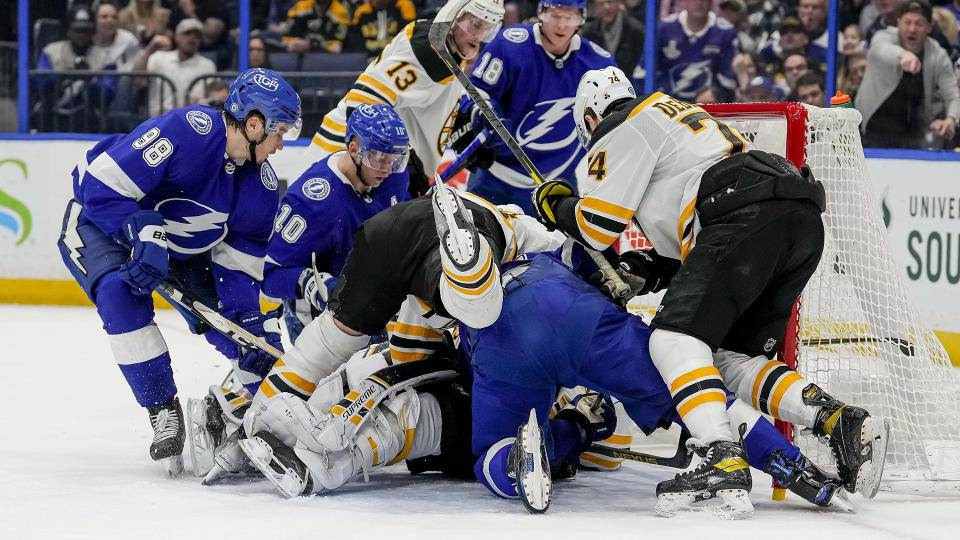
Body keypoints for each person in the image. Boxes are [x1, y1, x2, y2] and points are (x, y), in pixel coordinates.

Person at [236, 247, 858, 517]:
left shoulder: (420, 289)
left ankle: (518, 462)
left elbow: (408, 354)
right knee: (694, 398)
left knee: (482, 449)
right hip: (573, 313)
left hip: (500, 354)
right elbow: (582, 258)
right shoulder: (522, 240)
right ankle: (800, 474)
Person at [531, 66, 888, 513]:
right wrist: (639, 269)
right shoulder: (674, 116)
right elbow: (687, 245)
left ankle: (720, 454)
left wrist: (557, 204)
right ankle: (837, 420)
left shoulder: (620, 124)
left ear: (589, 118)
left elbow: (596, 226)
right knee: (729, 359)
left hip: (739, 213)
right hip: (794, 217)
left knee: (673, 339)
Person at [56, 68, 302, 476]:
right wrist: (144, 233)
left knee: (254, 348)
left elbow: (237, 267)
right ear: (255, 124)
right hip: (100, 226)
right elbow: (102, 185)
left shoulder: (260, 184)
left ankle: (232, 413)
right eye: (280, 132)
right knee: (121, 294)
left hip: (179, 252)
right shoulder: (192, 130)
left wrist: (249, 320)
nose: (280, 145)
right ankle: (162, 408)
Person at [306, 0, 506, 197]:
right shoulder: (428, 49)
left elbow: (430, 106)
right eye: (476, 24)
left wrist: (465, 130)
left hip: (375, 166)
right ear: (454, 15)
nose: (479, 36)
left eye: (487, 29)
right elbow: (363, 102)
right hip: (342, 157)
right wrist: (403, 160)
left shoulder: (449, 52)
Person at [263, 103, 412, 342]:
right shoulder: (311, 202)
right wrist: (316, 284)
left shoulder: (395, 176)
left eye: (396, 159)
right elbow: (269, 274)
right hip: (321, 319)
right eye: (380, 158)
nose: (387, 169)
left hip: (375, 303)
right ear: (354, 150)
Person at [460, 0, 617, 214]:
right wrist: (480, 114)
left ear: (581, 18)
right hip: (495, 174)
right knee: (479, 244)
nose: (561, 25)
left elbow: (614, 120)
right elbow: (477, 93)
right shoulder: (509, 45)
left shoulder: (598, 64)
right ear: (541, 13)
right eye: (555, 15)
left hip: (556, 182)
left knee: (558, 248)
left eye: (569, 17)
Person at [857, 0, 960, 149]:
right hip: (873, 126)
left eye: (919, 24)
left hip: (912, 131)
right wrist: (903, 55)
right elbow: (881, 49)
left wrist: (951, 119)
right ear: (898, 23)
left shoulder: (938, 54)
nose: (912, 29)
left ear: (929, 28)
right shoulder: (882, 36)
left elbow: (952, 94)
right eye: (907, 23)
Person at [648, 0, 738, 102]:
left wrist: (720, 102)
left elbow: (727, 79)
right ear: (683, 2)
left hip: (708, 106)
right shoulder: (664, 28)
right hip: (668, 105)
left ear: (711, 2)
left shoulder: (725, 31)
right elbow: (644, 72)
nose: (699, 2)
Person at [142, 18, 217, 115]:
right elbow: (137, 80)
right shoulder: (158, 57)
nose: (192, 38)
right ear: (176, 36)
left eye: (197, 36)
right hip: (157, 118)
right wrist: (149, 49)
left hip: (189, 121)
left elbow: (205, 99)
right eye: (187, 33)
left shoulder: (208, 65)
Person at [580, 0, 645, 74]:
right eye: (601, 4)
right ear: (595, 7)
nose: (606, 7)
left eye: (610, 2)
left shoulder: (636, 30)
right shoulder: (588, 33)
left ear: (618, 3)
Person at [347, 0, 417, 58]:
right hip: (368, 56)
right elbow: (354, 36)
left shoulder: (401, 7)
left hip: (396, 55)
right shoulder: (362, 12)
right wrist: (364, 54)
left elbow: (410, 32)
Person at [90, 0, 144, 72]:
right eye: (104, 17)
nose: (109, 20)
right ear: (95, 20)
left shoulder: (128, 40)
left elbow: (137, 70)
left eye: (114, 17)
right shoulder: (88, 40)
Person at [282, 0, 351, 53]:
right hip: (297, 56)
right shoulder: (300, 8)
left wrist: (311, 47)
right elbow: (286, 40)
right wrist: (292, 43)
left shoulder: (341, 13)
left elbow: (337, 47)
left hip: (327, 60)